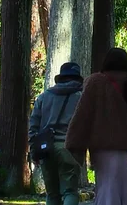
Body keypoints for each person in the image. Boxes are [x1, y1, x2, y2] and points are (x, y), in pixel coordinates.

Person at [65, 47, 127, 205]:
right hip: (122, 146)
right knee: (121, 189)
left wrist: (73, 141)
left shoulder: (95, 81)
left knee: (106, 187)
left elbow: (83, 113)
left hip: (101, 146)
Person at [28, 60, 84, 205]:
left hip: (47, 149)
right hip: (69, 148)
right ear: (77, 78)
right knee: (70, 192)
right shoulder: (81, 97)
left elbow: (33, 126)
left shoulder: (44, 97)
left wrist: (34, 150)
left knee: (52, 194)